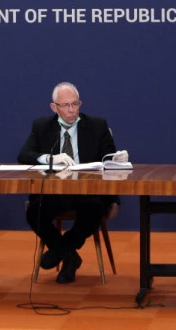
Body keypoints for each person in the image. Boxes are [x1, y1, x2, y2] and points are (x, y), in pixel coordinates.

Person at [19, 82, 121, 284]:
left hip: (87, 193)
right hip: (54, 193)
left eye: (75, 104)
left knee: (94, 209)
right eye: (65, 105)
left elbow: (110, 165)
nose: (72, 110)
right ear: (53, 107)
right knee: (34, 211)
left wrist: (114, 199)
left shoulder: (97, 126)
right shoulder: (41, 127)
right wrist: (49, 159)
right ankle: (69, 256)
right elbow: (24, 155)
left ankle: (61, 250)